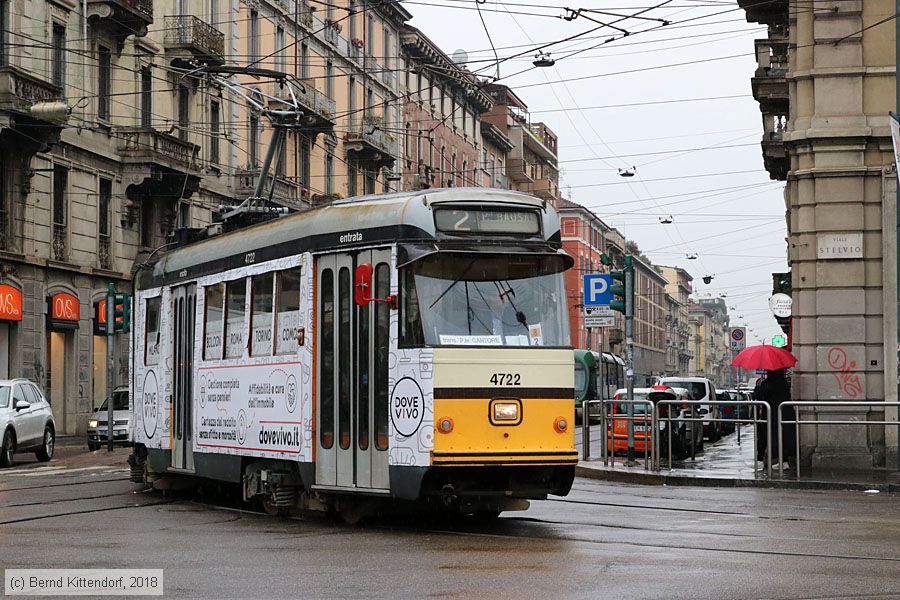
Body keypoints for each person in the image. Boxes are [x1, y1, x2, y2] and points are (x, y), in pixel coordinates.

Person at [754, 368, 795, 469]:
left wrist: (758, 387)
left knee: (764, 437)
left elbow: (758, 396)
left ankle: (760, 461)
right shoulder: (783, 382)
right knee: (782, 437)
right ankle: (784, 462)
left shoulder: (767, 383)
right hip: (784, 414)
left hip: (770, 414)